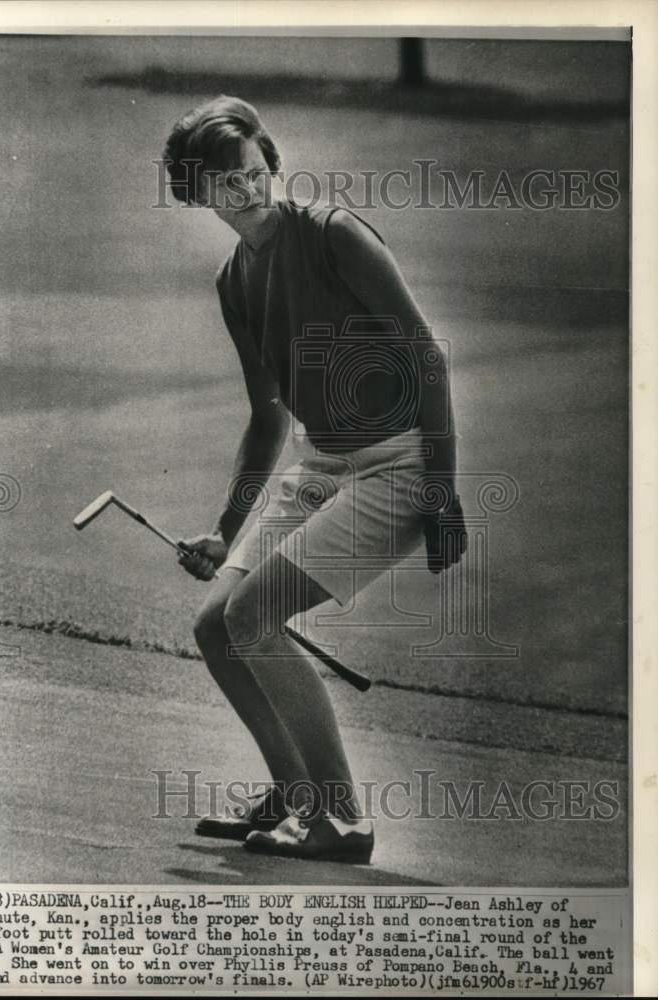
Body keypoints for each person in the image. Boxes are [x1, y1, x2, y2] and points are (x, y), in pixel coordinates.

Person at [162, 96, 466, 864]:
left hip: (398, 465)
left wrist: (439, 489)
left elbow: (427, 354)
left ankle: (341, 821)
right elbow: (267, 417)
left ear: (271, 165)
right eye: (226, 183)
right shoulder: (234, 279)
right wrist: (225, 530)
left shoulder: (333, 235)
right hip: (318, 464)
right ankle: (296, 794)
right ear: (197, 194)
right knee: (216, 625)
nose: (248, 191)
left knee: (255, 615)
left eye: (255, 172)